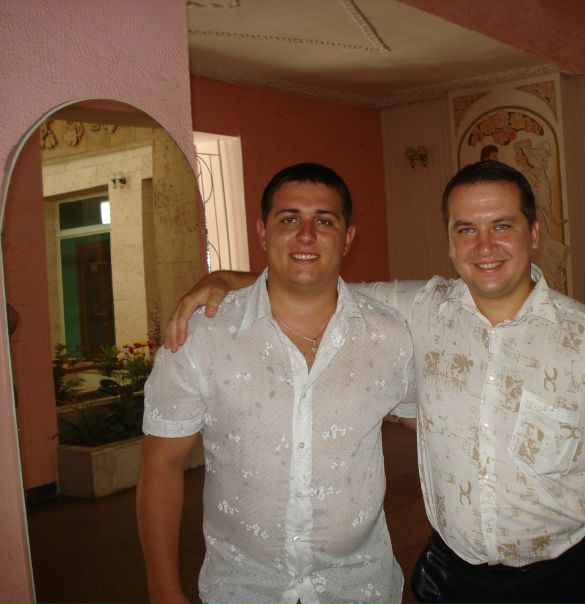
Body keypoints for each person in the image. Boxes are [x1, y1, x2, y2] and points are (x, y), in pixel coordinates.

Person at [165, 161, 585, 603]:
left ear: (533, 232)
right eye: (466, 229)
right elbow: (311, 283)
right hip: (453, 576)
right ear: (449, 241)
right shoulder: (422, 308)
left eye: (502, 226)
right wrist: (224, 280)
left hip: (564, 576)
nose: (485, 246)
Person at [137, 163, 416, 604]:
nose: (306, 235)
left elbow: (433, 428)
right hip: (241, 589)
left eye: (324, 221)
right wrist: (163, 590)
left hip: (359, 586)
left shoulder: (389, 334)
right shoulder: (204, 335)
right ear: (262, 233)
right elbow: (162, 465)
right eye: (288, 219)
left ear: (348, 237)